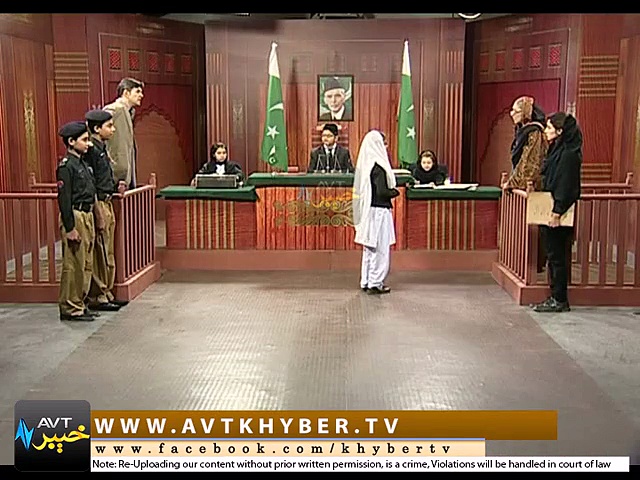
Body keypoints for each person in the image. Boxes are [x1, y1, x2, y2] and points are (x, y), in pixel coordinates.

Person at [532, 112, 582, 313]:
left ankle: (560, 299)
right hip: (550, 207)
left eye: (550, 128)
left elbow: (566, 185)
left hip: (558, 212)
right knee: (552, 256)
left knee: (557, 257)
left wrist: (556, 212)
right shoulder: (557, 149)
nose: (546, 131)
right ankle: (555, 296)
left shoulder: (569, 154)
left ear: (560, 131)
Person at [84, 109, 129, 312]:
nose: (113, 129)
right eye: (109, 126)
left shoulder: (102, 148)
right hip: (99, 203)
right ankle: (98, 294)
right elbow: (91, 183)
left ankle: (107, 291)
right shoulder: (91, 151)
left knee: (108, 250)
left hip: (108, 200)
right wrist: (98, 212)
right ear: (96, 128)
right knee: (100, 251)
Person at [56, 121, 100, 321]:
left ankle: (80, 302)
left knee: (86, 263)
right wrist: (70, 228)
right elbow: (64, 199)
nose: (88, 144)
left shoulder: (83, 163)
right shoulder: (66, 167)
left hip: (87, 214)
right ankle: (70, 307)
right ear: (71, 142)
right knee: (74, 264)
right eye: (84, 140)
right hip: (76, 215)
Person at [353, 130, 399, 294]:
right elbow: (382, 191)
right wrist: (395, 192)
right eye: (384, 143)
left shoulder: (366, 166)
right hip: (379, 212)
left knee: (369, 248)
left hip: (368, 210)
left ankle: (366, 280)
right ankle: (375, 282)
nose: (385, 147)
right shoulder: (379, 167)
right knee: (380, 248)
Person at [104, 77, 144, 189]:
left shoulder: (128, 112)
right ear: (126, 93)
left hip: (125, 174)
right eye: (137, 91)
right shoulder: (115, 109)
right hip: (115, 175)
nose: (141, 95)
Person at [502, 95, 547, 190]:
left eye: (516, 111)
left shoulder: (534, 131)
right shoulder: (522, 131)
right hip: (520, 184)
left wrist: (512, 183)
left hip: (530, 187)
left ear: (524, 112)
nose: (512, 114)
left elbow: (529, 162)